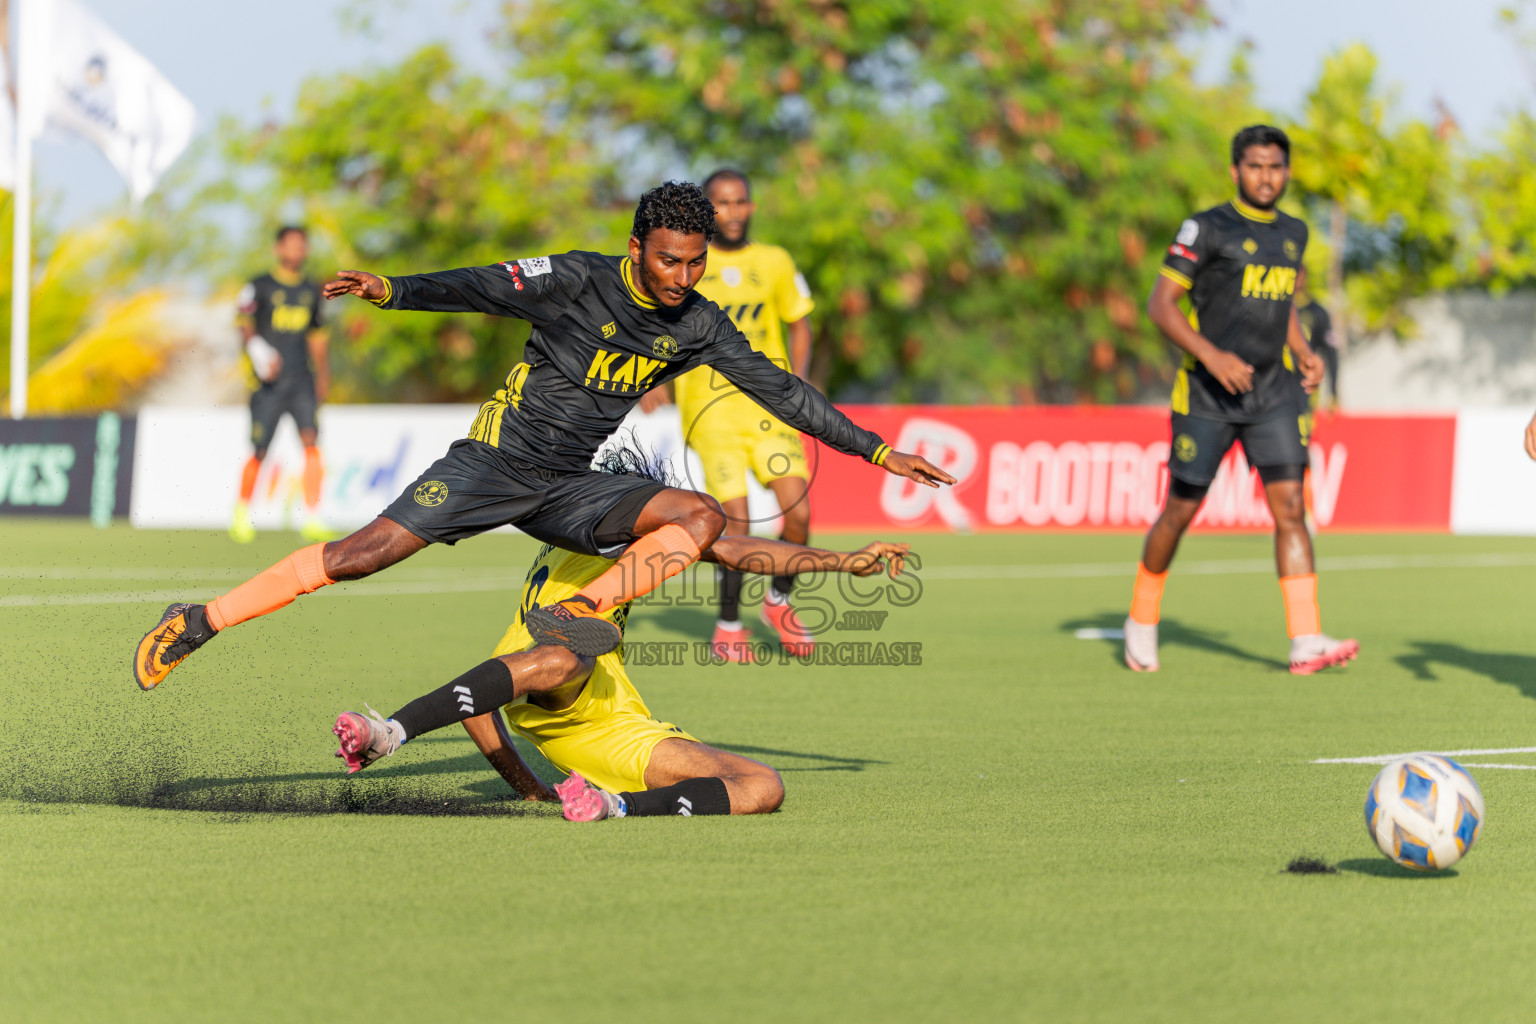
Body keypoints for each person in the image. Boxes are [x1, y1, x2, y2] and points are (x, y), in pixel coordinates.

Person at [133, 181, 952, 691]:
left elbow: (783, 390)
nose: (683, 278)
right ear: (637, 248)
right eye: (669, 261)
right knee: (357, 557)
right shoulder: (575, 278)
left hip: (569, 485)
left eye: (695, 263)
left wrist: (878, 450)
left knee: (701, 516)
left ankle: (581, 611)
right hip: (495, 463)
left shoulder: (699, 323)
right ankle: (200, 618)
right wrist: (392, 289)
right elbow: (481, 286)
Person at [331, 471, 912, 821]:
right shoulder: (600, 522)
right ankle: (390, 731)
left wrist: (532, 792)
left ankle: (613, 807)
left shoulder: (632, 537)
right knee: (565, 655)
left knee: (763, 786)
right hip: (562, 674)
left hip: (615, 724)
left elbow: (476, 705)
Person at [1124, 125, 1358, 676]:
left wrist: (1303, 351)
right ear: (1235, 171)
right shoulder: (1205, 228)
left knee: (1292, 509)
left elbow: (1283, 303)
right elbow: (1160, 305)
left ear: (1287, 172)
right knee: (1180, 510)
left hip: (1273, 397)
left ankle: (1305, 639)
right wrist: (1212, 357)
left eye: (1275, 167)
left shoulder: (1295, 233)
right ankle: (1141, 618)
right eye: (1255, 166)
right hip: (1206, 396)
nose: (1266, 177)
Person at [641, 168, 817, 661]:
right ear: (707, 208)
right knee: (736, 520)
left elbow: (800, 323)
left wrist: (799, 380)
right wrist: (651, 379)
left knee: (799, 514)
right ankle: (730, 624)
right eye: (722, 202)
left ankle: (778, 602)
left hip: (771, 406)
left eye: (740, 201)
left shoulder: (775, 261)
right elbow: (655, 322)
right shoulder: (689, 261)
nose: (733, 212)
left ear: (751, 207)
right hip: (711, 411)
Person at [231, 225, 332, 543]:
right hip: (269, 383)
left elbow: (317, 335)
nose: (296, 251)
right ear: (278, 249)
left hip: (301, 380)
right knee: (260, 449)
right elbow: (243, 321)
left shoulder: (311, 290)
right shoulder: (258, 285)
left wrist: (323, 374)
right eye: (291, 245)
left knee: (311, 442)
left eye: (301, 245)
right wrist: (257, 351)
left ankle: (312, 517)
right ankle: (242, 514)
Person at [1292, 265, 1339, 411]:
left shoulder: (1318, 312)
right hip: (1278, 386)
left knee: (1304, 424)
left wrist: (1333, 391)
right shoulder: (1274, 308)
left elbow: (1331, 354)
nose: (1297, 280)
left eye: (1300, 275)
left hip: (1307, 385)